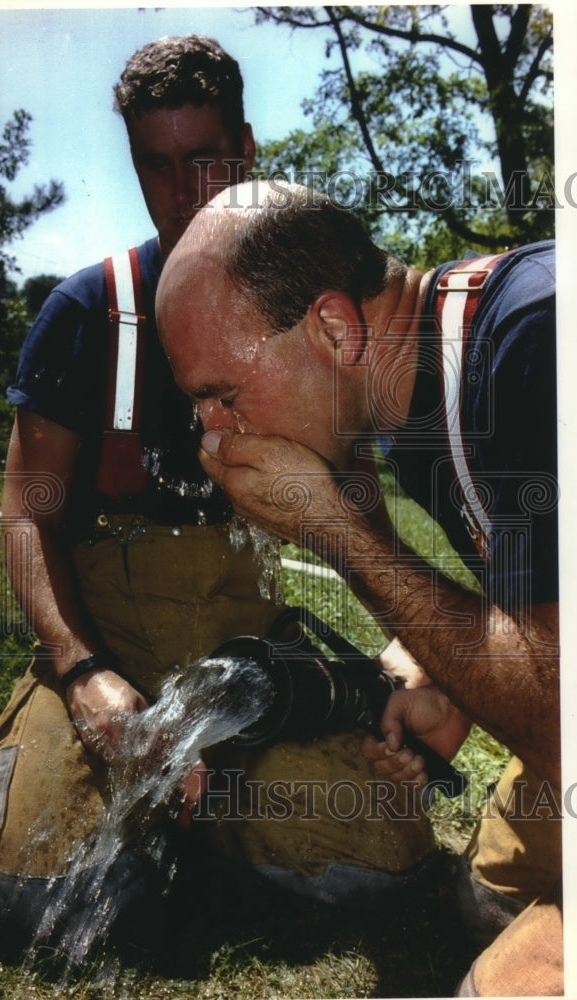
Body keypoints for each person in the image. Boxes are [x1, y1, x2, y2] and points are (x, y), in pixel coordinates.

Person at [0, 40, 435, 958]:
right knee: (33, 908)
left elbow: (364, 518)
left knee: (380, 866)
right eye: (157, 165)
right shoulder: (85, 314)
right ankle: (157, 810)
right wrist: (82, 673)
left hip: (248, 676)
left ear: (248, 151)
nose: (185, 193)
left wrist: (408, 659)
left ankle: (208, 811)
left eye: (208, 161)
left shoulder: (309, 322)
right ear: (135, 163)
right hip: (115, 659)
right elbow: (28, 516)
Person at [155, 179, 561, 996]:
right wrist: (443, 672)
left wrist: (334, 531)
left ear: (335, 327)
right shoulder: (412, 395)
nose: (212, 437)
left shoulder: (540, 344)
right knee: (485, 903)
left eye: (222, 396)